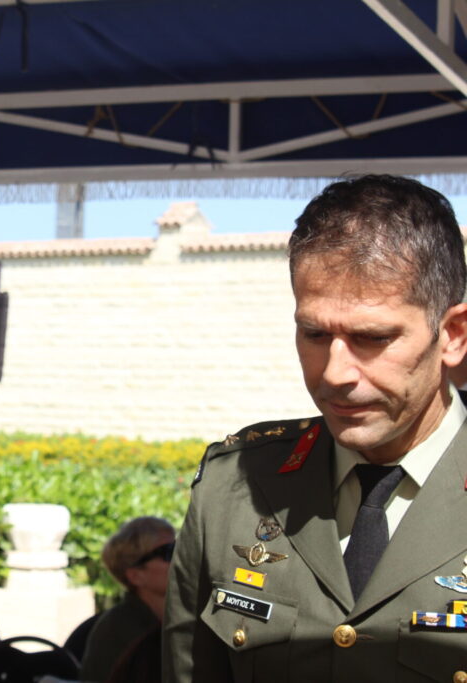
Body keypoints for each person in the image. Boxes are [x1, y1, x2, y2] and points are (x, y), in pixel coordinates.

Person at [163, 174, 467, 682]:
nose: (335, 372)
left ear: (453, 335)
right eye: (315, 333)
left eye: (372, 337)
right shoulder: (234, 483)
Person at [78, 517, 174, 682]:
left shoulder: (185, 615)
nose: (182, 558)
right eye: (168, 552)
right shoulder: (117, 630)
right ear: (135, 575)